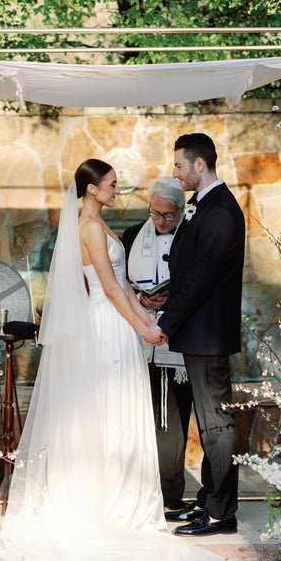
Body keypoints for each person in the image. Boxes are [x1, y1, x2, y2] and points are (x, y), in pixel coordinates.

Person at [0, 159, 224, 561]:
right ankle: (103, 502)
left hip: (120, 324)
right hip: (104, 329)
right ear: (91, 190)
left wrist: (148, 323)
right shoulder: (87, 230)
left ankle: (122, 496)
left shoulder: (101, 226)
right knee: (104, 416)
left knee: (117, 415)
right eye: (110, 185)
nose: (116, 190)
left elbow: (123, 283)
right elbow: (107, 289)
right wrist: (140, 330)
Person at [157, 132, 245, 537]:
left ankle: (222, 513)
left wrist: (165, 323)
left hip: (207, 336)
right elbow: (187, 268)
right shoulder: (202, 206)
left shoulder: (221, 212)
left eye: (178, 165)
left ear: (198, 164)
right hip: (198, 334)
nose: (174, 172)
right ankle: (210, 499)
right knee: (211, 425)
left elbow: (200, 279)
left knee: (217, 425)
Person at [123, 176, 194, 517]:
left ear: (181, 210)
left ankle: (169, 496)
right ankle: (137, 491)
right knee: (138, 417)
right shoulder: (132, 235)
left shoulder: (192, 233)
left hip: (177, 340)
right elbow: (119, 283)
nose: (162, 221)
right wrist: (140, 296)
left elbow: (199, 281)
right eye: (156, 213)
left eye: (169, 215)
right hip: (139, 339)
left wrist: (173, 298)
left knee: (172, 422)